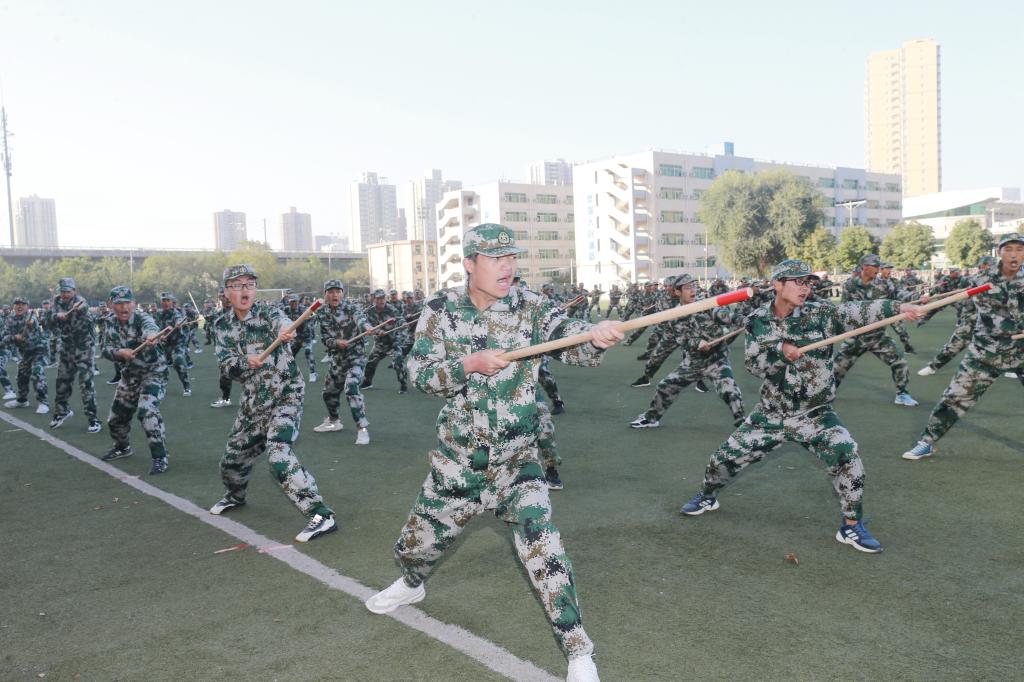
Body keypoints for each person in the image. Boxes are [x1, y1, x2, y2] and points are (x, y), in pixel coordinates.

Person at [364, 224, 621, 682]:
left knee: (543, 547)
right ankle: (412, 583)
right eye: (496, 259)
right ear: (469, 264)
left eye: (512, 258)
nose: (508, 267)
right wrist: (469, 364)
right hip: (458, 462)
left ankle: (579, 650)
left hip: (517, 462)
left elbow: (571, 337)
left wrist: (596, 336)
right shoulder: (440, 310)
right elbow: (420, 374)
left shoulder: (531, 306)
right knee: (414, 550)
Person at [679, 259, 924, 554]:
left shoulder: (821, 313)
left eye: (808, 282)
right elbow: (754, 365)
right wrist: (780, 351)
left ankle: (851, 526)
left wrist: (899, 307)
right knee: (721, 461)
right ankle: (707, 496)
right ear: (778, 284)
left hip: (815, 413)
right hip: (771, 413)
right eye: (798, 282)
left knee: (848, 456)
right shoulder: (757, 319)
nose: (805, 288)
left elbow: (857, 310)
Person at [207, 264, 337, 543]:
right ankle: (236, 496)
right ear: (226, 292)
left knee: (278, 455)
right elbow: (226, 365)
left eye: (250, 284)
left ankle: (321, 515)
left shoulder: (269, 313)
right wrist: (245, 363)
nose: (245, 290)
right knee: (231, 461)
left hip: (285, 394)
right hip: (254, 400)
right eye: (238, 285)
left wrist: (287, 331)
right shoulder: (220, 325)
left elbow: (283, 324)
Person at [903, 233, 1024, 460]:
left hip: (1022, 350)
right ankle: (927, 442)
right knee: (955, 397)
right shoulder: (981, 279)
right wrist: (927, 302)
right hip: (986, 352)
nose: (1014, 255)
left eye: (1019, 249)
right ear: (1000, 252)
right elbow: (954, 298)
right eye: (1009, 249)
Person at [630, 274, 744, 429]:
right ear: (678, 292)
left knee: (729, 390)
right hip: (693, 363)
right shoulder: (674, 315)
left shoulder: (705, 304)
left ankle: (742, 423)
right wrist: (697, 342)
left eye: (694, 286)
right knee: (665, 386)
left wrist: (740, 319)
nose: (693, 290)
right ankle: (651, 418)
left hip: (717, 359)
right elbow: (682, 339)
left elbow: (724, 315)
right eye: (688, 288)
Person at [99, 286, 170, 474]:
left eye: (127, 303)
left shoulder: (142, 318)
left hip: (154, 372)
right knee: (115, 418)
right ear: (111, 305)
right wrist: (119, 353)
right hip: (130, 375)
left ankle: (160, 457)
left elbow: (151, 329)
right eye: (119, 303)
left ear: (134, 304)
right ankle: (122, 447)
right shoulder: (110, 322)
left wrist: (152, 336)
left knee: (147, 411)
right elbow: (105, 349)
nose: (124, 307)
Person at [833, 254, 919, 407]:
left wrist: (916, 296)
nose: (878, 269)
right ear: (865, 267)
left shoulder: (883, 284)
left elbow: (899, 295)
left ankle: (902, 394)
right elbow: (844, 308)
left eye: (879, 266)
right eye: (875, 266)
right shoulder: (850, 285)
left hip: (878, 336)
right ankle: (825, 396)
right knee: (837, 370)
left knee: (900, 362)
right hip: (856, 336)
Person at [311, 279, 372, 445]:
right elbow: (325, 338)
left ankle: (362, 429)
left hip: (356, 357)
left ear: (342, 294)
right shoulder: (322, 312)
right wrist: (336, 342)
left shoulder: (352, 308)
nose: (334, 295)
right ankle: (333, 422)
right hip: (337, 359)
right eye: (331, 292)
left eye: (338, 291)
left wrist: (367, 328)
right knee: (328, 393)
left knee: (351, 387)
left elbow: (361, 320)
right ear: (325, 294)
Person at [49, 277, 101, 432]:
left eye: (68, 291)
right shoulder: (56, 302)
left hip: (84, 348)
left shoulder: (80, 301)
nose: (65, 294)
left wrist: (76, 309)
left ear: (74, 291)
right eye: (62, 291)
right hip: (67, 347)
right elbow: (48, 318)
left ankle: (93, 419)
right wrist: (57, 316)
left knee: (85, 383)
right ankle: (61, 412)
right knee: (62, 381)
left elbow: (83, 306)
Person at [2, 297, 49, 414]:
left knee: (37, 372)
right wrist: (14, 337)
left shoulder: (31, 317)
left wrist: (30, 324)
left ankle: (43, 402)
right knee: (21, 376)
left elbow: (33, 325)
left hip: (38, 349)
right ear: (13, 306)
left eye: (23, 304)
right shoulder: (10, 319)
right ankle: (22, 400)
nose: (19, 306)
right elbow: (5, 337)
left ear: (27, 307)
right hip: (25, 353)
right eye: (17, 304)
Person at [360, 289, 409, 393]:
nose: (381, 301)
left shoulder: (391, 308)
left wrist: (403, 323)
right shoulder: (369, 312)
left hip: (394, 340)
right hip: (380, 342)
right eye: (378, 298)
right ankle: (367, 382)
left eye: (383, 298)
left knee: (398, 361)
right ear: (374, 299)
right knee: (371, 362)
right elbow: (368, 326)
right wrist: (378, 331)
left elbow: (399, 318)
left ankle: (403, 384)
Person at [154, 292, 193, 396]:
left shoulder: (176, 313)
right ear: (161, 302)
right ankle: (161, 386)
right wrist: (159, 336)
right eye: (164, 300)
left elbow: (179, 320)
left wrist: (178, 324)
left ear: (172, 302)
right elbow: (155, 328)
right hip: (165, 344)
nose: (166, 303)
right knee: (158, 366)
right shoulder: (158, 314)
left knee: (179, 362)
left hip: (177, 342)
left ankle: (186, 387)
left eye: (168, 300)